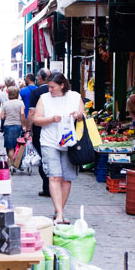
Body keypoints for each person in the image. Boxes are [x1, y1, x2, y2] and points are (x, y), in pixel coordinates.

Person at [33, 72, 85, 224]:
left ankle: (58, 211)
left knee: (67, 179)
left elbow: (83, 114)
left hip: (70, 143)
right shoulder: (44, 99)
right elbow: (36, 120)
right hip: (50, 142)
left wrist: (78, 115)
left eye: (52, 87)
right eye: (48, 87)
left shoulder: (75, 96)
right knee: (54, 177)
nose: (49, 90)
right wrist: (50, 119)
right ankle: (61, 215)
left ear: (62, 85)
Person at [26, 67, 51, 196]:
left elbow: (31, 112)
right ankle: (55, 187)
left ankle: (47, 187)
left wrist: (27, 130)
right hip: (55, 129)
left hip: (40, 130)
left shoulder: (37, 92)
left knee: (42, 158)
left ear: (40, 78)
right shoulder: (59, 91)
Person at [0, 86, 26, 157]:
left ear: (8, 95)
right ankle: (17, 164)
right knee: (19, 146)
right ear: (17, 94)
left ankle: (11, 165)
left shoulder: (5, 104)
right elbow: (22, 113)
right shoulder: (21, 103)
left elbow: (2, 117)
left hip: (8, 126)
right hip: (18, 126)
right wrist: (24, 126)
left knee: (10, 148)